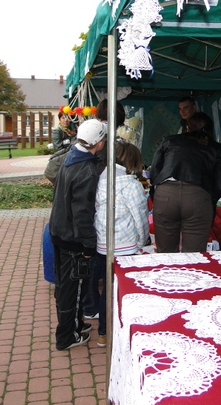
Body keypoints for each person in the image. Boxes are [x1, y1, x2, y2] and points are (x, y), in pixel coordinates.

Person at [49, 119, 107, 350]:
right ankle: (67, 335)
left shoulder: (70, 157)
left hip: (59, 230)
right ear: (99, 143)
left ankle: (75, 324)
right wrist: (89, 245)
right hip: (73, 238)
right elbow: (83, 213)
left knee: (66, 285)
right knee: (73, 288)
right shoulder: (87, 171)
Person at [93, 141, 149, 347]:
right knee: (127, 289)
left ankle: (103, 332)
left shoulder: (102, 179)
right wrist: (142, 241)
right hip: (126, 245)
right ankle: (127, 331)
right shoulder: (131, 185)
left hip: (103, 242)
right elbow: (140, 217)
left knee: (107, 290)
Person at [150, 112, 221, 253]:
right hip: (198, 197)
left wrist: (157, 193)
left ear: (187, 126)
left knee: (165, 254)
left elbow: (154, 172)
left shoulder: (170, 141)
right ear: (210, 130)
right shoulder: (217, 148)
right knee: (194, 256)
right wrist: (208, 198)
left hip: (166, 194)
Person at [82, 99, 126, 320]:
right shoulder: (105, 136)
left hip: (89, 199)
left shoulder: (92, 130)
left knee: (94, 258)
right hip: (97, 199)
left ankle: (90, 304)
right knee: (95, 257)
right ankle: (92, 305)